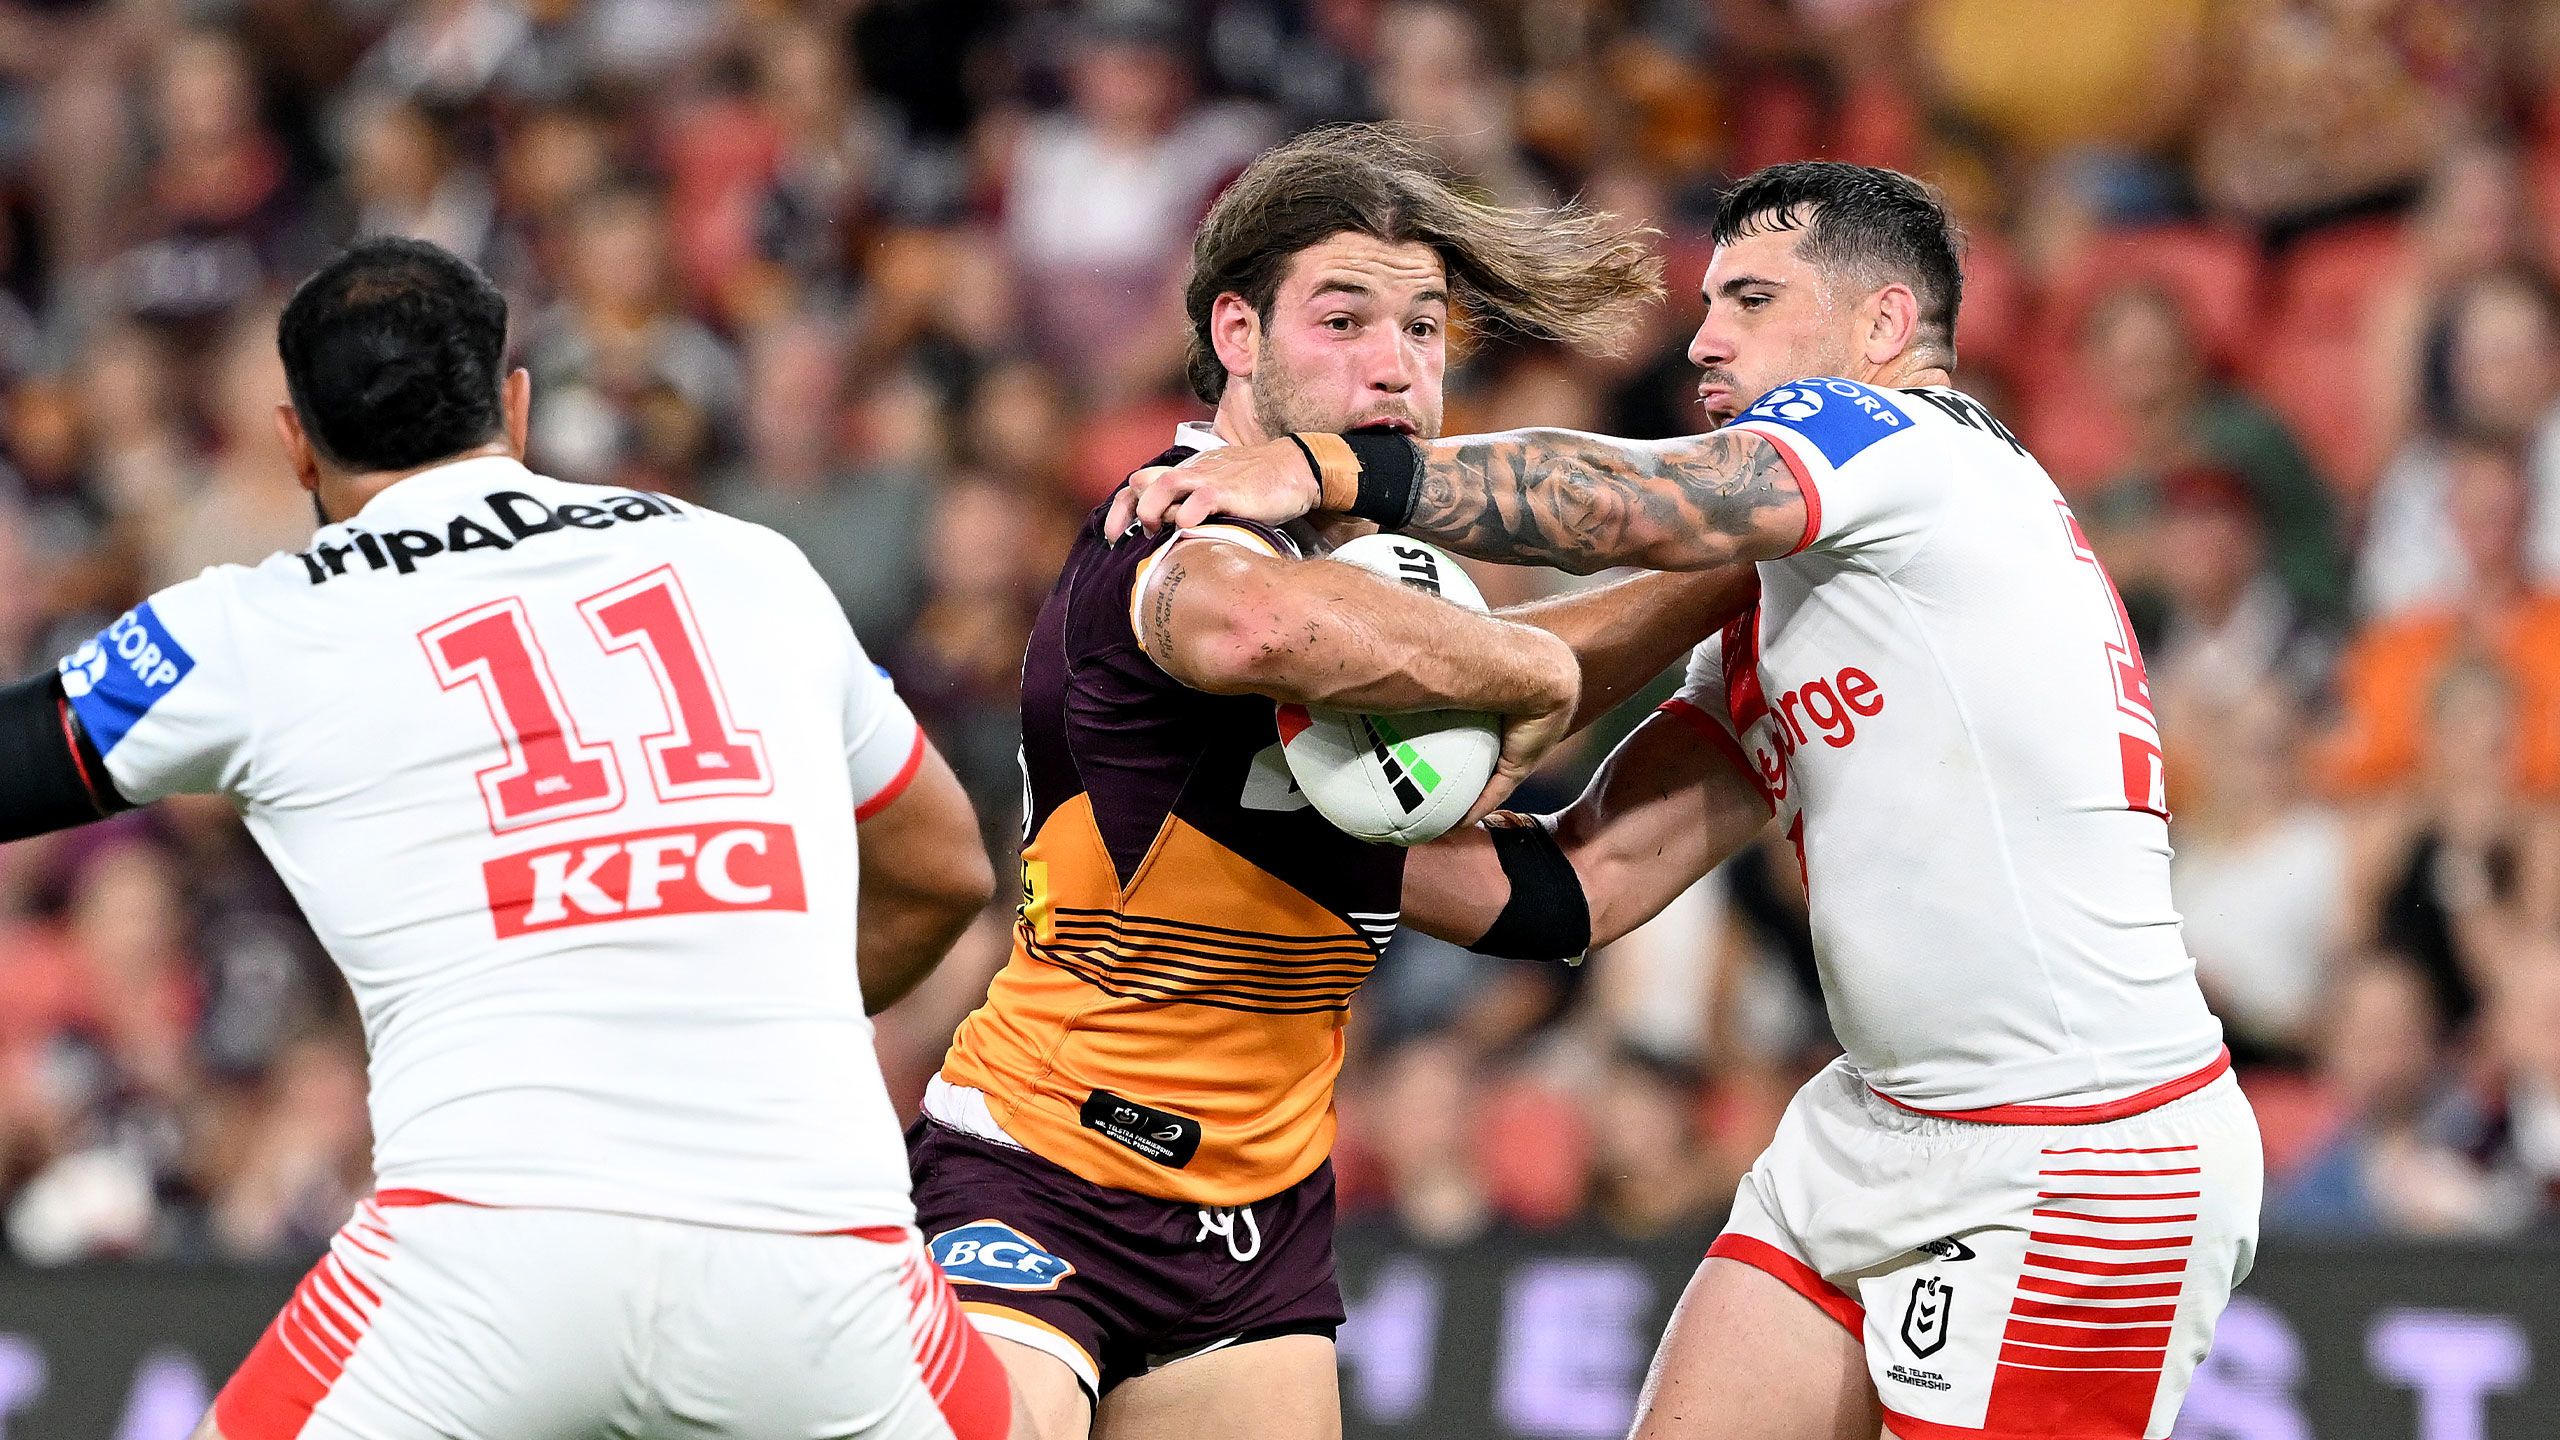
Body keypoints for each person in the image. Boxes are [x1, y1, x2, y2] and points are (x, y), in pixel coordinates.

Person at [1116, 160, 2263, 1440]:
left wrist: (1332, 472)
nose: (1703, 335)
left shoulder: (1915, 445)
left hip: (2080, 1152)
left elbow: (1641, 501)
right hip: (1877, 1123)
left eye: (1753, 299)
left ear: (1881, 329)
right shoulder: (1803, 596)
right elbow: (1579, 886)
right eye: (1709, 298)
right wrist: (1261, 810)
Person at [0, 237, 1025, 1440]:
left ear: (293, 442)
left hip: (486, 1266)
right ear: (517, 405)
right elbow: (944, 868)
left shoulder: (252, 626)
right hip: (818, 1265)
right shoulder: (750, 566)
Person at [906, 123, 1740, 1440]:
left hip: (1258, 1231)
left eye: (1422, 330)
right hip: (1036, 1175)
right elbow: (1261, 632)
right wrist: (1531, 680)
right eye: (1342, 319)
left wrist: (1754, 594)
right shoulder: (1172, 527)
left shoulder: (1378, 618)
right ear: (1236, 334)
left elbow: (1561, 891)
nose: (1393, 366)